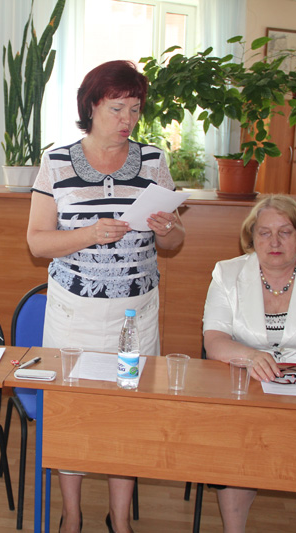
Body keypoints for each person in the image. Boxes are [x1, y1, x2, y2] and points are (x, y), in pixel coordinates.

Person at [27, 60, 185, 533]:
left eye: (134, 109)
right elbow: (37, 242)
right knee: (71, 413)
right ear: (92, 105)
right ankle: (72, 515)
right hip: (73, 311)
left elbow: (175, 242)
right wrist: (89, 234)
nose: (127, 119)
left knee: (129, 413)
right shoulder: (57, 161)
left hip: (137, 311)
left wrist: (169, 229)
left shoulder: (154, 160)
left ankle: (119, 518)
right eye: (117, 108)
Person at [202, 194, 296, 533]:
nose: (274, 242)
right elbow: (214, 341)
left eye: (285, 232)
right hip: (244, 383)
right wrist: (251, 356)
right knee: (237, 442)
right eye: (265, 233)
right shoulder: (227, 273)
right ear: (252, 237)